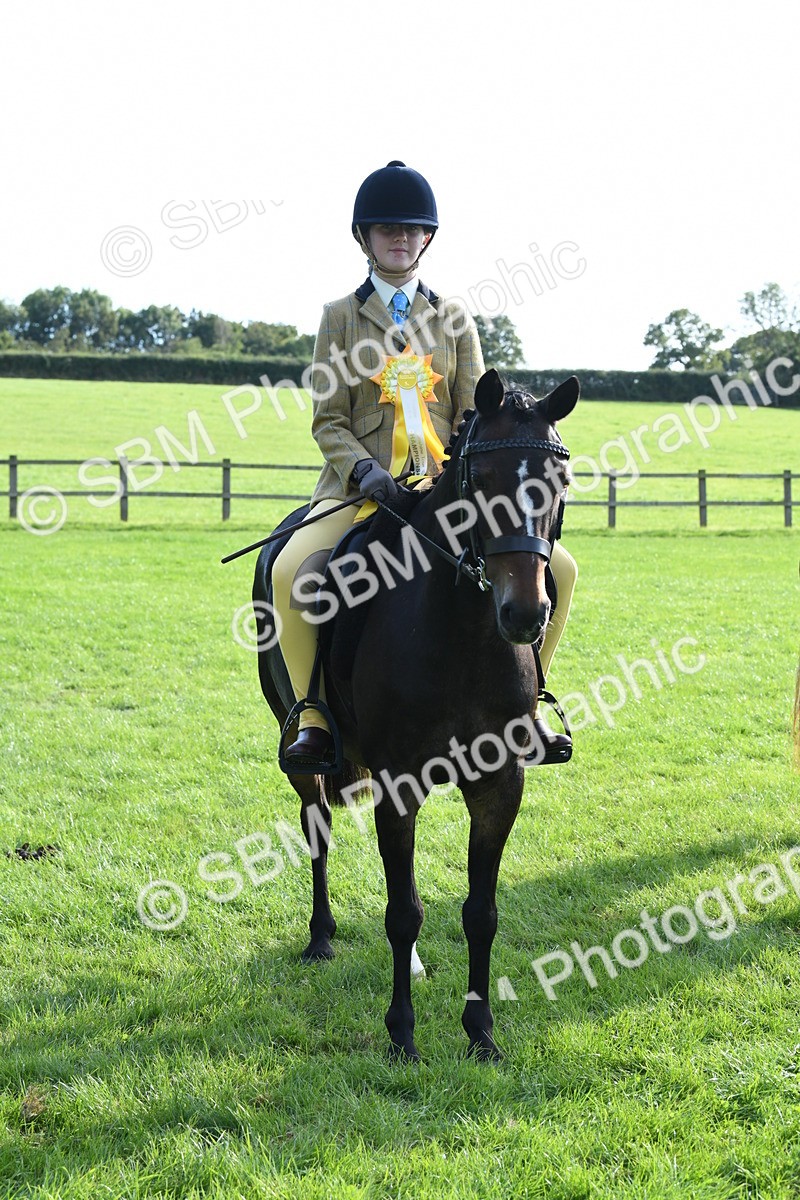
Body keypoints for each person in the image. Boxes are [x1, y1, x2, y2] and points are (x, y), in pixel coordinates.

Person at [272, 161, 577, 769]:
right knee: (291, 573)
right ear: (364, 237)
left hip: (449, 492)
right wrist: (365, 473)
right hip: (359, 491)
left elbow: (475, 414)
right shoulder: (339, 317)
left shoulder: (455, 318)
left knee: (561, 570)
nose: (401, 238)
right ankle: (311, 715)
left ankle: (532, 702)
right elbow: (327, 419)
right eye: (387, 229)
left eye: (412, 230)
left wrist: (458, 478)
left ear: (427, 238)